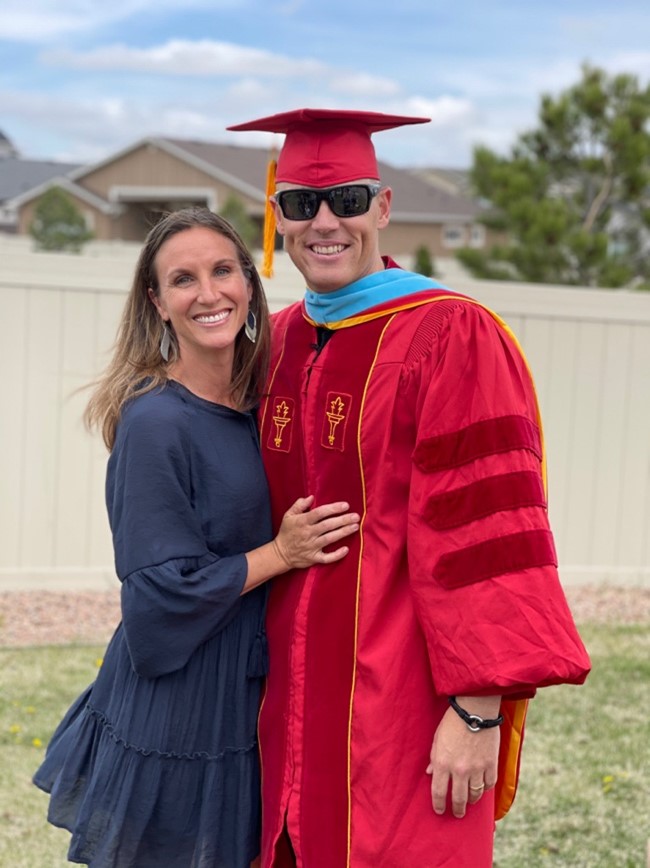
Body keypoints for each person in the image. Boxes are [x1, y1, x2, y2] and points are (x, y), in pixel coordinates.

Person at [227, 109, 592, 867]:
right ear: (278, 219)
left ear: (383, 208)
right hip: (285, 703)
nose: (325, 222)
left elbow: (485, 533)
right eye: (300, 204)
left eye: (348, 200)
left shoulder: (449, 334)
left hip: (400, 705)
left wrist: (478, 711)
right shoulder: (279, 338)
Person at [33, 207, 360, 868]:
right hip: (182, 710)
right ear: (157, 302)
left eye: (222, 271)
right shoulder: (156, 421)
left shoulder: (269, 404)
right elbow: (155, 600)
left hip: (254, 698)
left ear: (249, 282)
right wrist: (279, 554)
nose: (208, 294)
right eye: (183, 279)